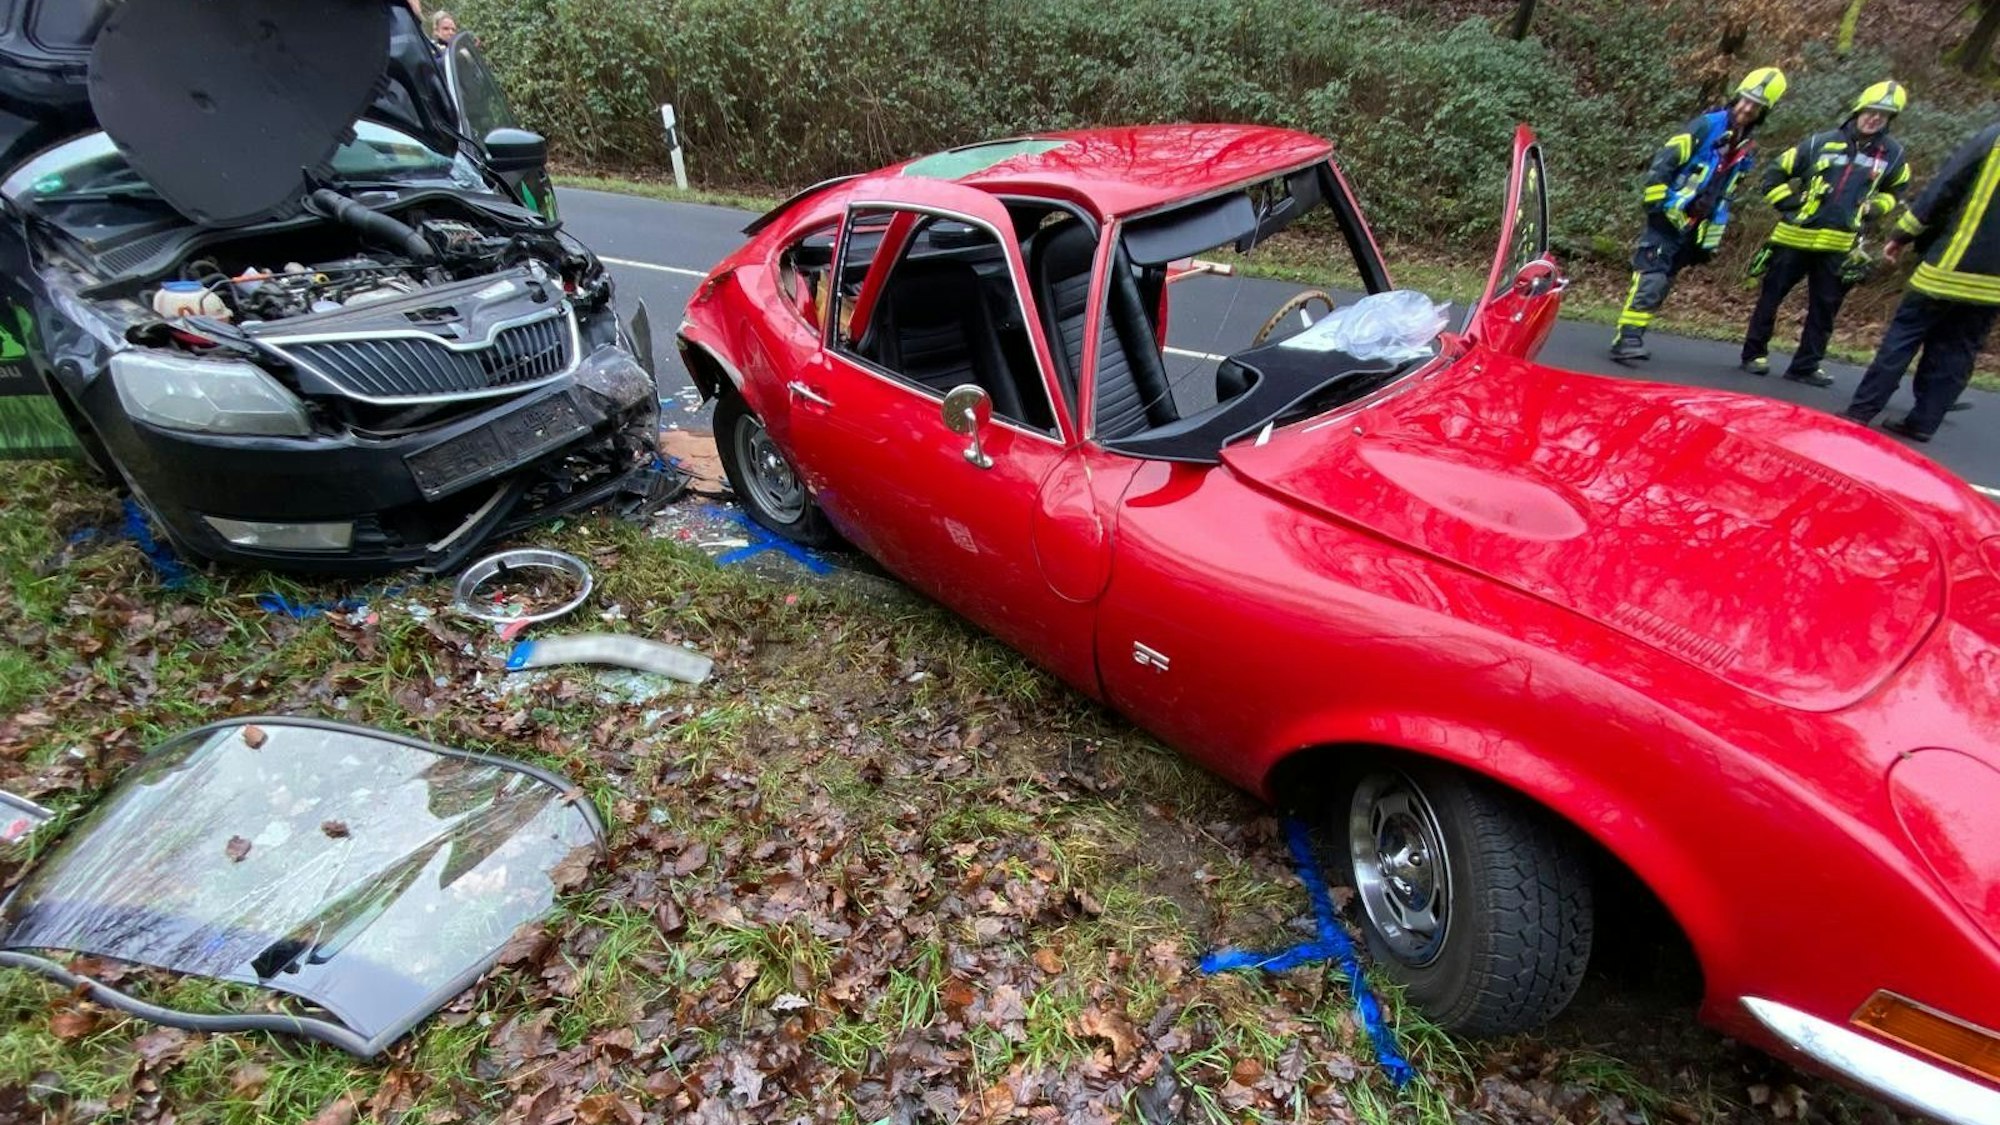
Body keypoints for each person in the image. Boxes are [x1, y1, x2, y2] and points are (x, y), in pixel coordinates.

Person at [1739, 82, 1912, 386]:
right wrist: (1789, 204)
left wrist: (1876, 208)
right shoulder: (1820, 142)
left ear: (1889, 120)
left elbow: (1896, 191)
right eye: (1871, 112)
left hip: (1838, 245)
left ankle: (1805, 365)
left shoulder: (1893, 156)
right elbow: (1775, 173)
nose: (1874, 119)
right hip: (1793, 238)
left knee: (1825, 309)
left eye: (1882, 116)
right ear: (1859, 110)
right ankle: (1754, 354)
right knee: (1770, 298)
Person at [1611, 67, 1787, 363]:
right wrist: (1658, 206)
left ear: (1763, 112)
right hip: (1668, 214)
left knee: (1664, 279)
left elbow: (1727, 191)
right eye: (1744, 100)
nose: (1746, 108)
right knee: (1651, 276)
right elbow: (1664, 163)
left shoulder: (1746, 147)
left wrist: (1710, 237)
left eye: (1755, 106)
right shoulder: (1706, 126)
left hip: (1694, 225)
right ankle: (1627, 339)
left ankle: (1634, 334)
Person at [1842, 120, 2000, 441]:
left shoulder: (1993, 138)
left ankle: (1861, 411)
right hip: (1993, 286)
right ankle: (1923, 423)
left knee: (1904, 335)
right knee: (1959, 349)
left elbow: (1945, 186)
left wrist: (1904, 234)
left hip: (1949, 266)